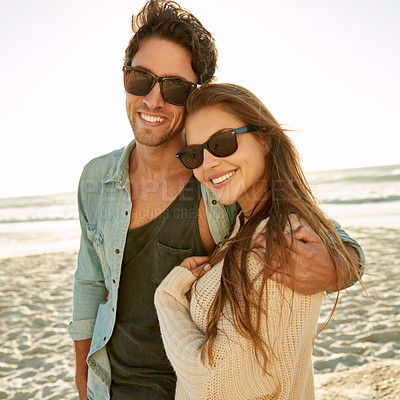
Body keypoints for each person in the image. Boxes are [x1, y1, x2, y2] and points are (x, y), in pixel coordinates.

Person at [68, 1, 364, 399]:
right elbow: (90, 281)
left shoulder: (222, 180)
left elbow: (326, 235)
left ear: (194, 95)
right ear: (125, 77)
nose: (153, 100)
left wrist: (336, 268)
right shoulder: (95, 179)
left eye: (174, 87)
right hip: (113, 386)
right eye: (141, 79)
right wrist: (83, 377)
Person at [154, 83, 364, 399]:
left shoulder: (277, 239)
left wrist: (168, 297)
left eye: (223, 142)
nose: (207, 164)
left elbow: (213, 384)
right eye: (194, 154)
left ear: (264, 139)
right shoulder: (246, 223)